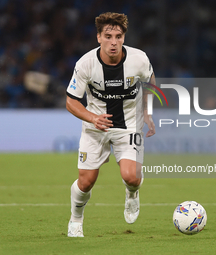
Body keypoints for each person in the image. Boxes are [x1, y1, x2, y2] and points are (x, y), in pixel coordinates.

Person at [66, 12, 156, 237]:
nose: (113, 42)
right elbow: (70, 101)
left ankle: (132, 194)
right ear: (99, 37)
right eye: (108, 36)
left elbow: (151, 82)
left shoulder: (139, 59)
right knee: (86, 182)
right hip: (95, 127)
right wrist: (92, 118)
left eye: (118, 36)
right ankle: (76, 220)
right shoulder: (86, 63)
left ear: (124, 37)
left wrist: (147, 111)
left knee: (131, 176)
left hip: (129, 126)